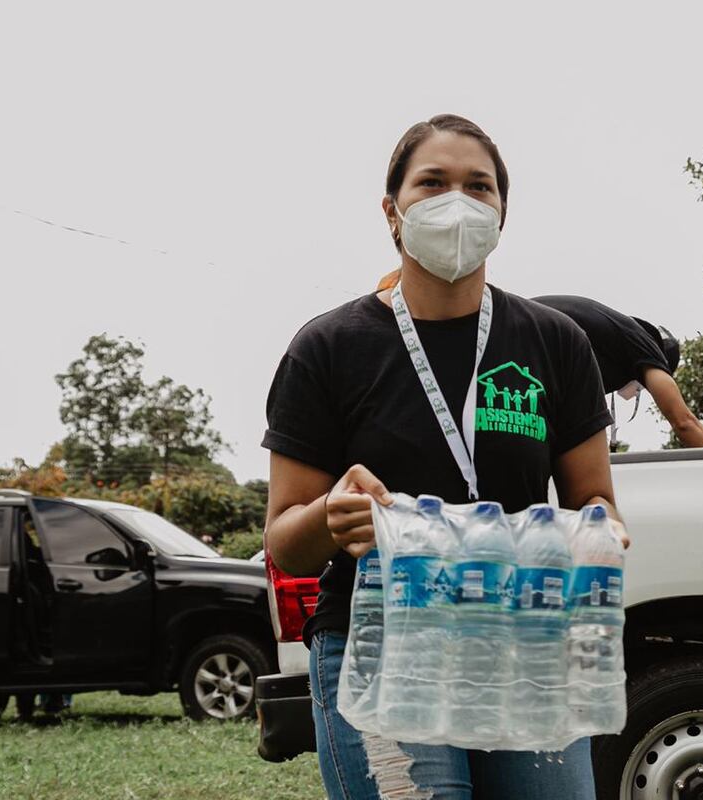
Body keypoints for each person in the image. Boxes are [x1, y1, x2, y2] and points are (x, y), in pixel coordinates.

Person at [263, 114, 627, 800]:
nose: (457, 201)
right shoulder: (329, 349)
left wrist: (600, 531)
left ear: (502, 215)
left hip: (522, 639)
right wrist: (331, 515)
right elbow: (285, 543)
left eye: (478, 186)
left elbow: (595, 500)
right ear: (392, 211)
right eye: (432, 182)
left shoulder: (555, 343)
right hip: (382, 642)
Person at [529, 296, 703, 448]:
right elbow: (684, 423)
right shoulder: (645, 345)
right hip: (531, 341)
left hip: (519, 334)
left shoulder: (604, 349)